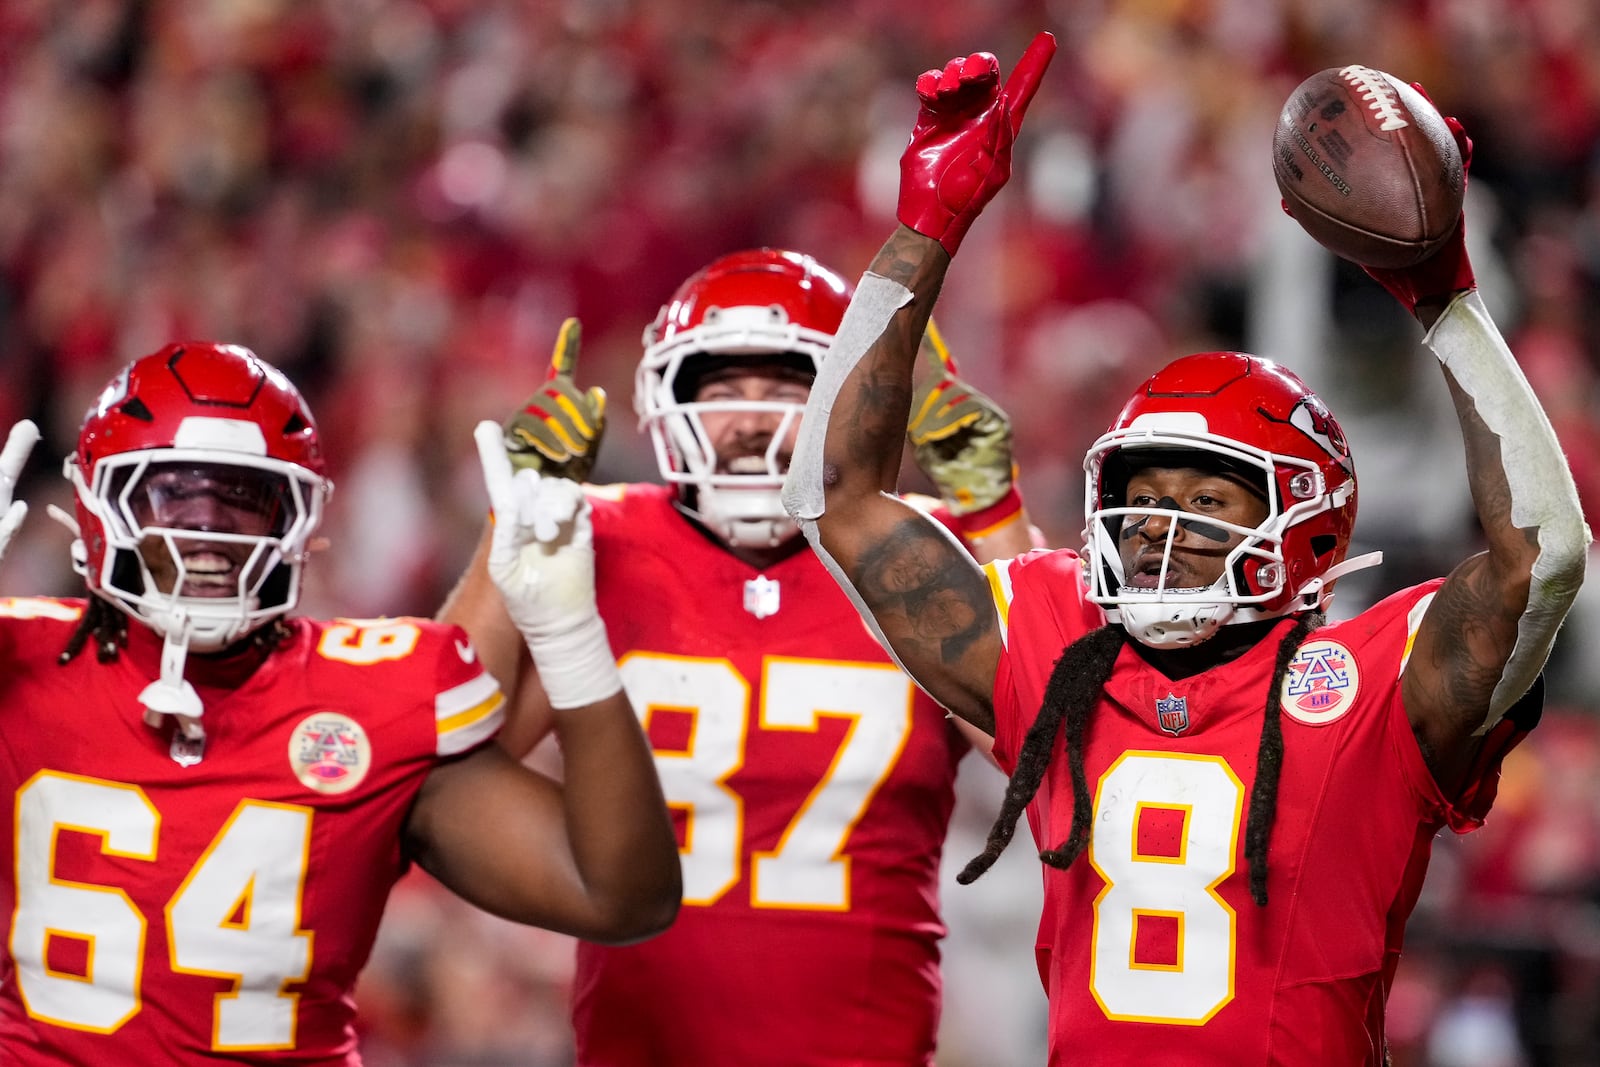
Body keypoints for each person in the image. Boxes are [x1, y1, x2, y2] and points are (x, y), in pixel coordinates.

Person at [781, 33, 1590, 1065]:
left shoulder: (1369, 685)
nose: (1160, 528)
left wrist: (1445, 300)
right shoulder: (1059, 643)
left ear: (1307, 524)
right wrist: (925, 226)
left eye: (1205, 499)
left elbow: (1543, 559)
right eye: (1141, 497)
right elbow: (833, 497)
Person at [0, 342, 680, 1064]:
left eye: (243, 500)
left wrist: (569, 635)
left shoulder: (366, 694)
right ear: (98, 504)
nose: (205, 535)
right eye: (171, 494)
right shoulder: (19, 660)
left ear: (303, 517)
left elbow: (619, 895)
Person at [440, 247, 1039, 1066]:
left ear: (844, 402)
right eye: (720, 390)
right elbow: (445, 754)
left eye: (787, 387)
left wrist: (994, 514)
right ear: (667, 400)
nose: (752, 421)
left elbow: (1048, 753)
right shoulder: (597, 536)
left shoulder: (912, 552)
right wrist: (510, 525)